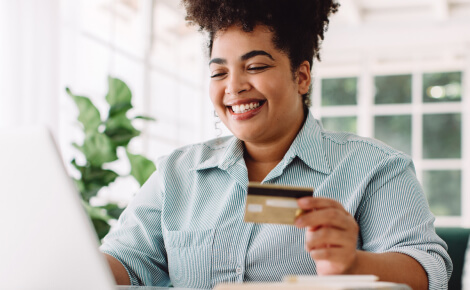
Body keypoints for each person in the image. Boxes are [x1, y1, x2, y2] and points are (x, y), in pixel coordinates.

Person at [101, 1, 452, 289]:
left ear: (301, 77)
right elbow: (127, 262)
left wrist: (353, 263)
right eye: (219, 73)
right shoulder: (177, 173)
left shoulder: (375, 168)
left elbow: (428, 270)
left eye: (254, 66)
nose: (234, 87)